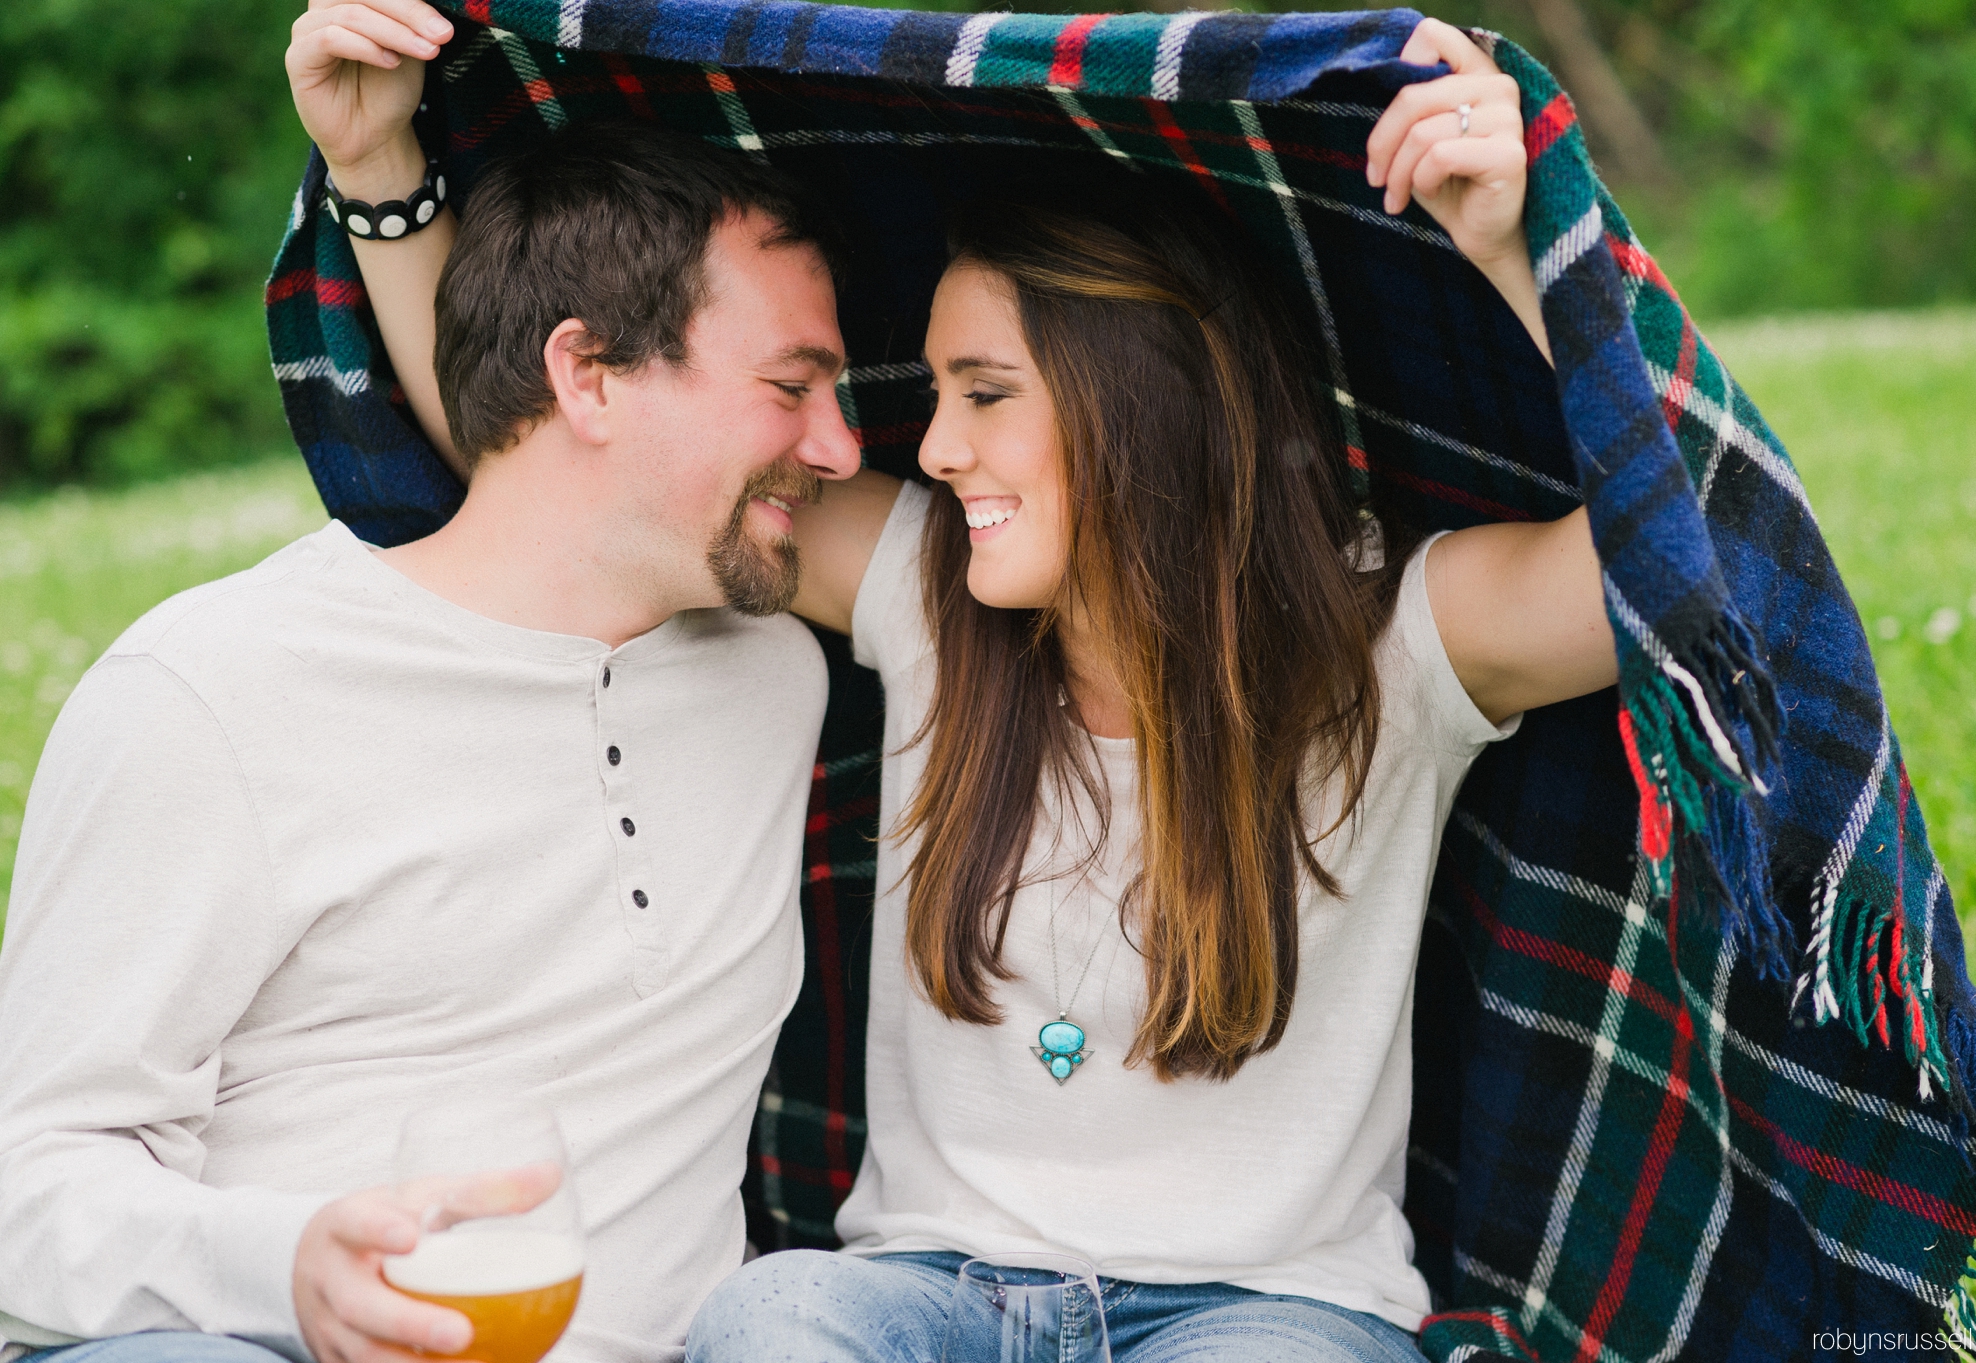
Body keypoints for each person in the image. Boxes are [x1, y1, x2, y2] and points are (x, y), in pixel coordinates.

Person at [335, 9, 1615, 1357]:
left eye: (985, 393)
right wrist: (377, 173)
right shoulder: (927, 591)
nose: (931, 448)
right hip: (924, 1297)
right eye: (938, 393)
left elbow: (1671, 566)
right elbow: (554, 455)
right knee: (775, 1317)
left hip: (1268, 1311)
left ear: (1145, 400)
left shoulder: (1386, 639)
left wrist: (1516, 254)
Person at [0, 6, 861, 1363]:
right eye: (794, 386)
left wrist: (387, 175)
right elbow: (22, 1188)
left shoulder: (776, 675)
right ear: (583, 374)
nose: (842, 445)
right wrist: (277, 1268)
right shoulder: (214, 691)